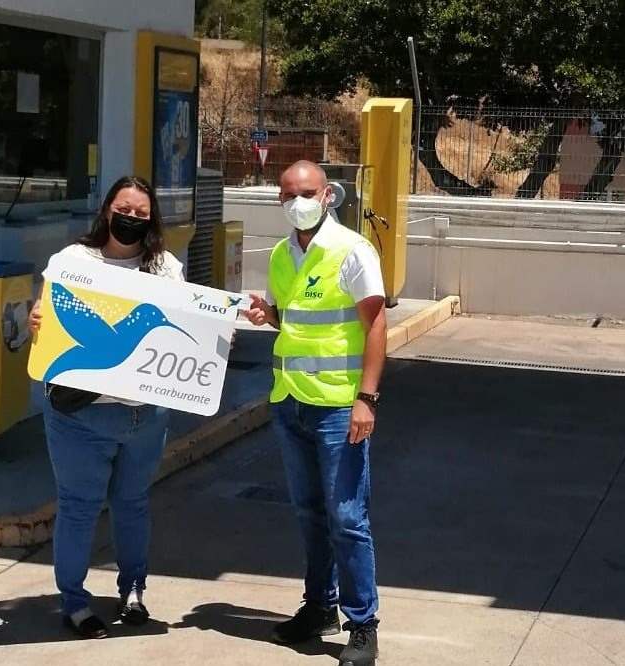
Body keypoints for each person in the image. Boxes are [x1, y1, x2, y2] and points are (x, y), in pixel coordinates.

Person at [241, 161, 387, 666]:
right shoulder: (283, 254)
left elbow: (374, 325)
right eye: (287, 194)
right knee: (308, 513)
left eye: (306, 192)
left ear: (327, 195)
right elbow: (294, 318)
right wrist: (269, 315)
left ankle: (362, 623)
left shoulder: (352, 250)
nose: (296, 201)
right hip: (291, 404)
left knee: (347, 518)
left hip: (338, 409)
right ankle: (319, 607)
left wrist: (366, 399)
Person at [28, 176, 186, 639]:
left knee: (132, 504)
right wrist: (37, 318)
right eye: (124, 209)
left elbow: (186, 325)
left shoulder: (166, 269)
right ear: (106, 210)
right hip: (81, 416)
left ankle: (133, 589)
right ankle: (74, 602)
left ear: (151, 219)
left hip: (144, 416)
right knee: (79, 507)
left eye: (141, 214)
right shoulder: (74, 261)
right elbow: (46, 317)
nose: (131, 219)